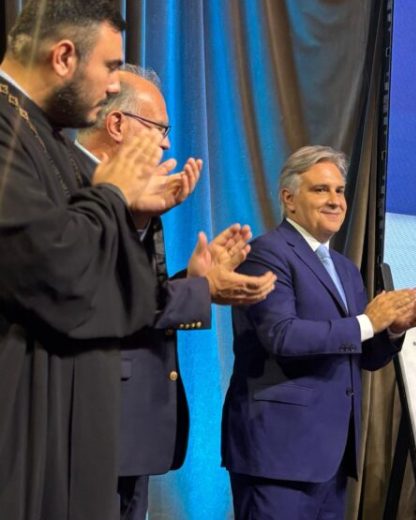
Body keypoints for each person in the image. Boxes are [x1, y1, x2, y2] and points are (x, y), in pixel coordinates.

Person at [0, 2, 184, 518]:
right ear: (63, 57)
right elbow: (58, 272)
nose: (112, 86)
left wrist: (131, 213)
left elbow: (120, 302)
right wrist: (112, 197)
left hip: (66, 424)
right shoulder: (8, 132)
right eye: (109, 67)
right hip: (22, 423)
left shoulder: (47, 139)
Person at [74, 64, 277, 520]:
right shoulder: (69, 184)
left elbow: (135, 293)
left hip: (131, 430)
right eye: (159, 128)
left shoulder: (133, 198)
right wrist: (201, 291)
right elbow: (95, 296)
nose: (166, 144)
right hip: (86, 421)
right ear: (117, 123)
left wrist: (191, 280)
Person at [222, 145, 416, 519]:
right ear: (289, 199)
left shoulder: (345, 269)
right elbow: (282, 336)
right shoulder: (266, 253)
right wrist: (367, 323)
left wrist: (392, 330)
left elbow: (361, 355)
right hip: (279, 453)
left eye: (339, 190)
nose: (335, 200)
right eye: (321, 190)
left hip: (331, 456)